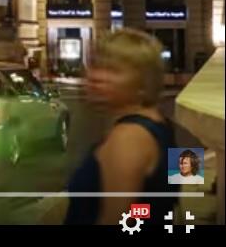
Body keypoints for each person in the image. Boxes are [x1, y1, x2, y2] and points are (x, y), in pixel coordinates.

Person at [64, 29, 175, 225]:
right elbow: (170, 202)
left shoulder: (127, 137)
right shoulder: (166, 126)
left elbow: (119, 220)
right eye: (94, 66)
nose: (94, 77)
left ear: (144, 83)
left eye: (113, 71)